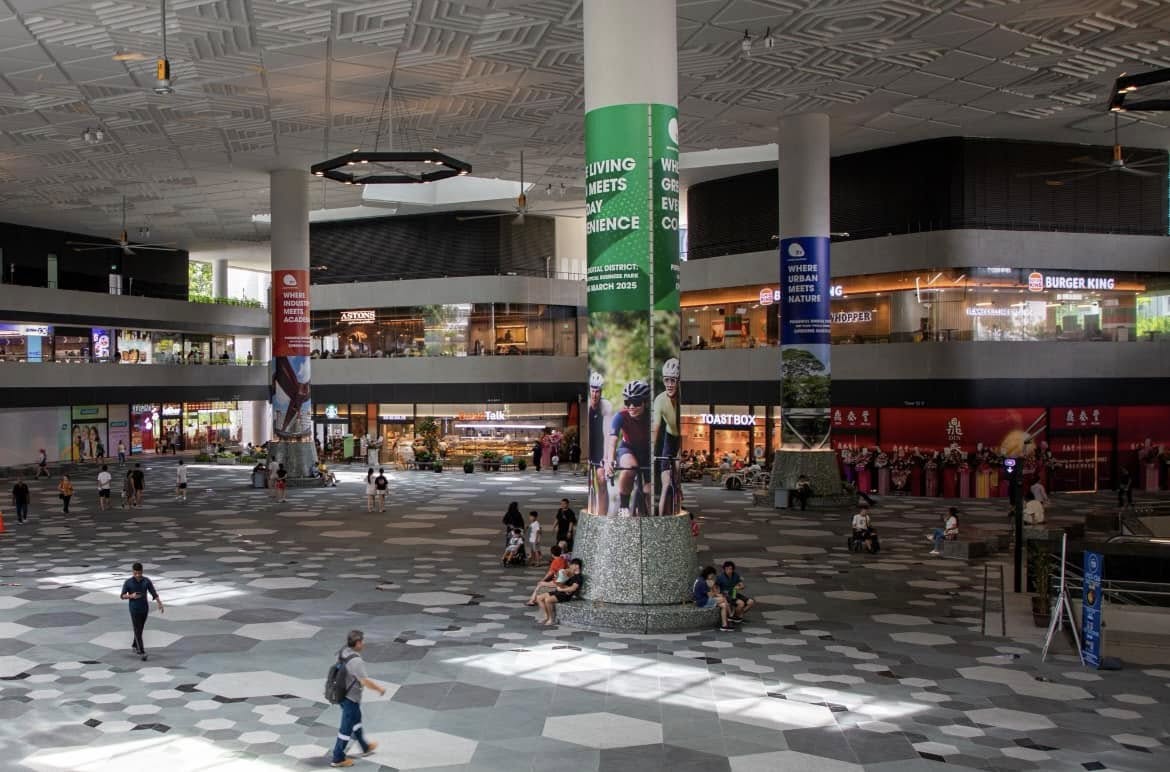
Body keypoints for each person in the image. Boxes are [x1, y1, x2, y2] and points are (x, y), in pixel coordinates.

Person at [330, 629, 386, 767]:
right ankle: (338, 758)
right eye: (363, 641)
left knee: (356, 721)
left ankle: (365, 747)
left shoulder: (343, 651)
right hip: (350, 698)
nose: (364, 644)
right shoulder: (356, 661)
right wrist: (379, 689)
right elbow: (364, 681)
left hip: (342, 694)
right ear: (358, 643)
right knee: (346, 729)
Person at [608, 380, 652, 516]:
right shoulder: (621, 416)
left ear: (645, 402)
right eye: (628, 403)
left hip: (647, 452)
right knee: (629, 468)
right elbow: (613, 439)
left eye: (636, 402)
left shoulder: (652, 416)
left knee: (649, 490)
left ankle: (649, 515)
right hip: (628, 448)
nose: (631, 407)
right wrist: (610, 460)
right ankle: (624, 506)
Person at [652, 358, 683, 516]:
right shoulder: (659, 400)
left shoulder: (683, 399)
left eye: (673, 380)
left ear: (678, 381)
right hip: (670, 438)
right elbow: (656, 428)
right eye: (666, 380)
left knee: (677, 470)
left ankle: (678, 489)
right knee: (665, 482)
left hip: (681, 438)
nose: (670, 384)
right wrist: (651, 450)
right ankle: (662, 518)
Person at [120, 562, 163, 661]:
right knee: (137, 629)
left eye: (139, 573)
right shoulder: (128, 582)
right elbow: (122, 596)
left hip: (144, 608)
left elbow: (153, 592)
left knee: (140, 628)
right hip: (134, 609)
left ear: (142, 571)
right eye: (135, 573)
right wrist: (131, 596)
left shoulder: (146, 581)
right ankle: (141, 651)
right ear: (133, 572)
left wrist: (159, 603)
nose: (138, 575)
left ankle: (135, 645)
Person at [587, 371, 613, 515]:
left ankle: (602, 515)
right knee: (591, 481)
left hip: (600, 444)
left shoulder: (606, 406)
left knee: (601, 480)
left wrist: (605, 458)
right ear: (590, 390)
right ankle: (592, 509)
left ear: (601, 391)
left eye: (598, 391)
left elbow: (607, 433)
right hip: (590, 444)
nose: (595, 394)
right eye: (593, 390)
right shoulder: (587, 406)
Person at [534, 558, 583, 625]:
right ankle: (546, 615)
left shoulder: (578, 577)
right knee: (539, 598)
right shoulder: (572, 574)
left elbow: (573, 589)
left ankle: (551, 619)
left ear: (577, 566)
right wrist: (558, 579)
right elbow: (563, 583)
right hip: (559, 592)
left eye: (572, 565)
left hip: (565, 595)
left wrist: (562, 589)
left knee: (548, 600)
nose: (570, 566)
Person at [693, 565, 733, 632]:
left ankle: (724, 625)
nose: (712, 577)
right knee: (723, 598)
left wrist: (716, 594)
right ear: (709, 574)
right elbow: (710, 596)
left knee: (723, 605)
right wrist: (715, 592)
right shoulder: (702, 582)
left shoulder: (699, 579)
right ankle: (730, 616)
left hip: (701, 600)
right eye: (712, 575)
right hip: (703, 602)